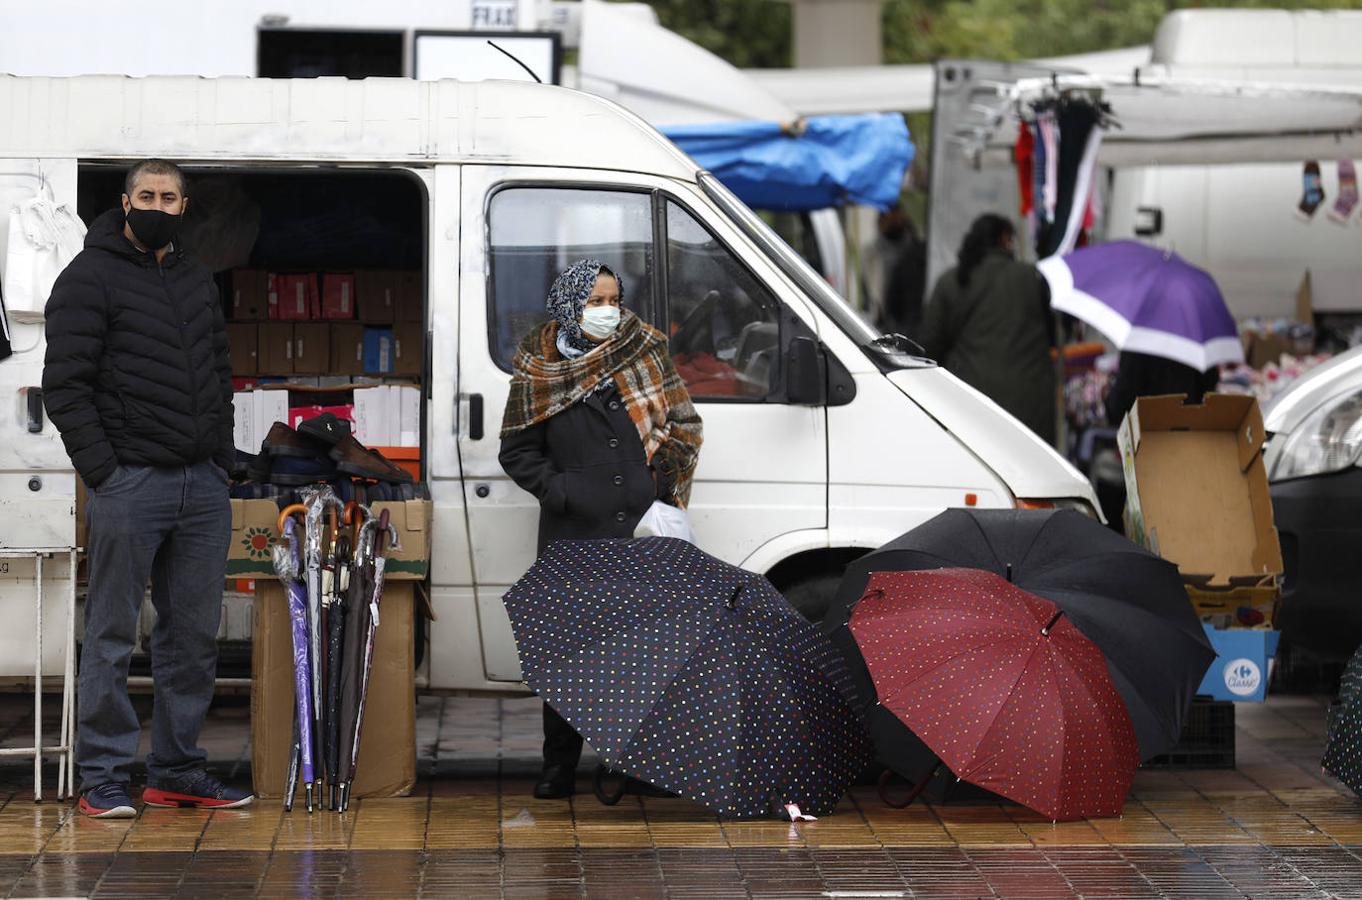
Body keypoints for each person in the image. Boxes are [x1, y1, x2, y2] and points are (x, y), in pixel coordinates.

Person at [43, 159, 250, 818]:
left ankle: (176, 770)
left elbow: (219, 370)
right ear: (125, 202)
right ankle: (102, 776)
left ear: (184, 208)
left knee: (191, 639)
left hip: (200, 486)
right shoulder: (88, 277)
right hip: (130, 484)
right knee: (109, 637)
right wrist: (106, 472)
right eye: (147, 195)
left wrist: (220, 456)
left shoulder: (194, 278)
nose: (157, 204)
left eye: (169, 196)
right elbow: (65, 386)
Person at [498, 258, 703, 800]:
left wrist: (657, 479)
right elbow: (517, 451)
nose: (609, 311)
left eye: (614, 299)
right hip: (574, 532)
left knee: (639, 654)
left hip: (639, 530)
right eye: (595, 301)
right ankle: (558, 766)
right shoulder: (537, 365)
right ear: (569, 304)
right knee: (569, 651)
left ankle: (633, 764)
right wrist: (563, 491)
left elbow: (683, 424)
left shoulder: (647, 348)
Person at [920, 213, 1057, 445]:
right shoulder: (1032, 278)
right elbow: (1051, 336)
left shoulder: (950, 282)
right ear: (1005, 239)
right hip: (1031, 411)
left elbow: (927, 349)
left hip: (972, 409)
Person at [1103, 351, 1220, 427]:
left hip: (1147, 445)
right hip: (1190, 438)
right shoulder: (1196, 345)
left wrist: (1107, 397)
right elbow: (1209, 388)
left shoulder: (1137, 346)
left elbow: (1118, 408)